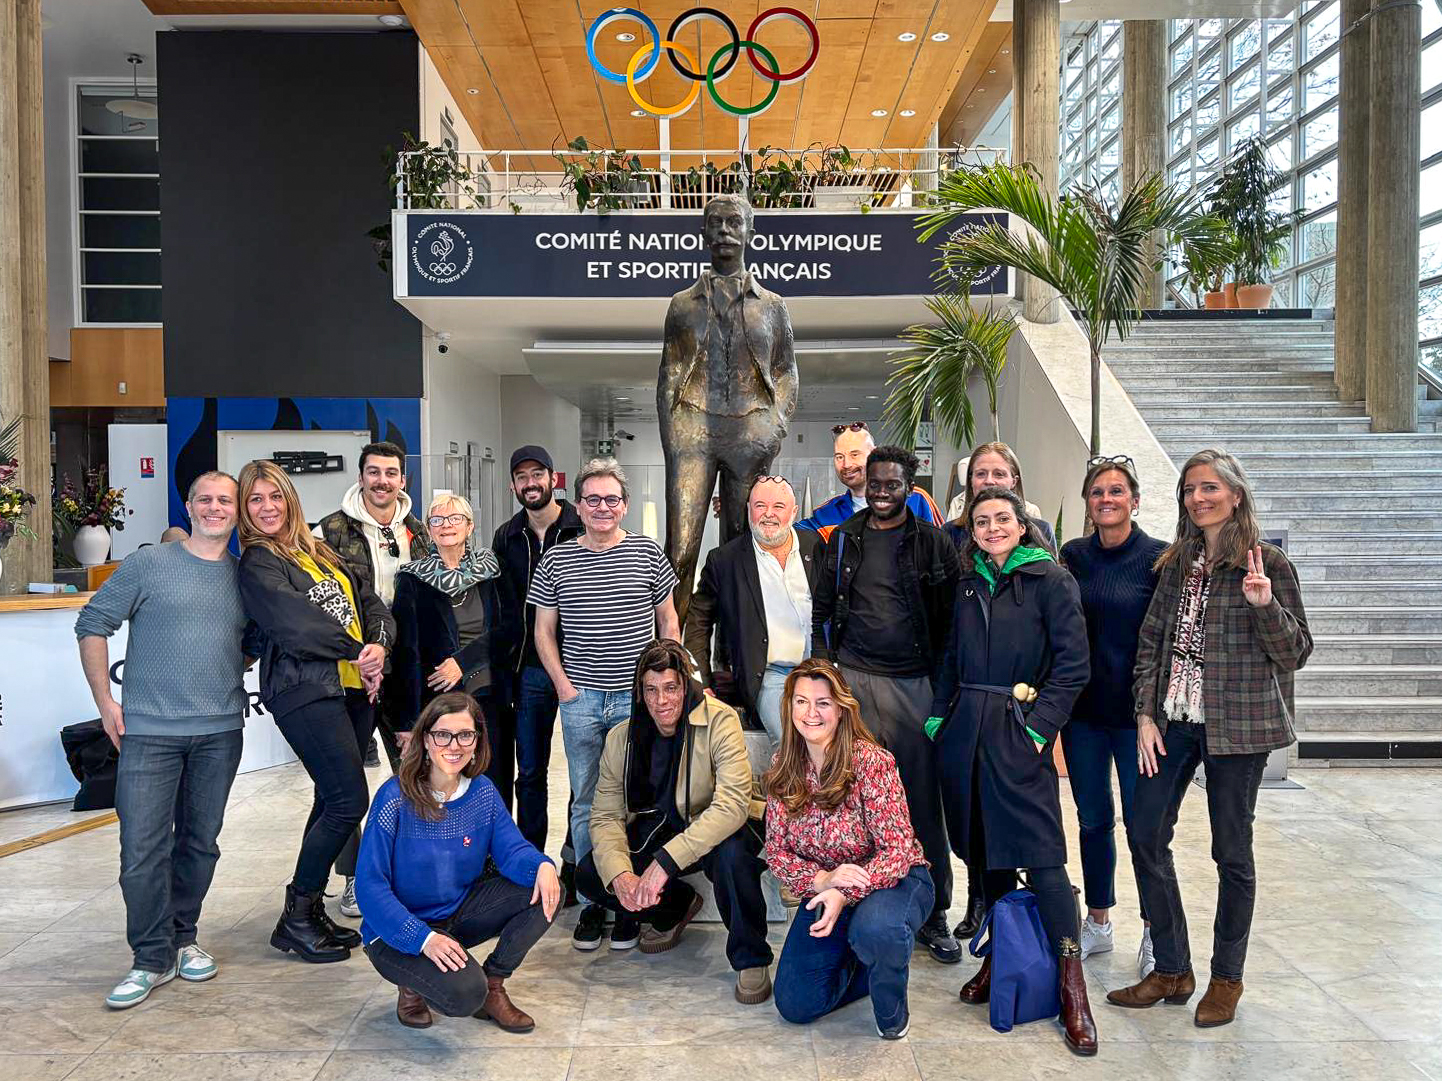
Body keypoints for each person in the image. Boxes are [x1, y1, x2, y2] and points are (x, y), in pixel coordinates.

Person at [1107, 449, 1311, 1029]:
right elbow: (1152, 643)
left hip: (1239, 726)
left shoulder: (1266, 562)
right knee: (1145, 832)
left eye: (1210, 488)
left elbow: (1295, 652)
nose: (1199, 498)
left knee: (1231, 852)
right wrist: (1145, 714)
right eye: (1191, 489)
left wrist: (1264, 603)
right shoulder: (1177, 561)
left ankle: (1226, 978)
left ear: (1236, 494)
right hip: (1173, 719)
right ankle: (1172, 969)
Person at [927, 485, 1097, 1056]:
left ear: (1022, 526)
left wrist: (1037, 729)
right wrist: (937, 717)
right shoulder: (968, 580)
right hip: (965, 730)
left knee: (1043, 857)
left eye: (1003, 519)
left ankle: (1072, 986)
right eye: (982, 521)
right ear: (970, 530)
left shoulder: (1052, 580)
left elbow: (1073, 668)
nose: (992, 528)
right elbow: (950, 654)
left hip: (1018, 729)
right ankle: (1000, 960)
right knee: (986, 856)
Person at [76, 472, 249, 1009]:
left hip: (220, 731)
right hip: (148, 733)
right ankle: (150, 957)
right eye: (205, 499)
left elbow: (250, 645)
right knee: (141, 850)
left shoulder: (248, 578)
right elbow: (92, 623)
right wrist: (106, 703)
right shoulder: (149, 563)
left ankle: (182, 937)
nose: (215, 508)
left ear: (237, 511)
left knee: (200, 843)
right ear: (190, 505)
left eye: (225, 500)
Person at [237, 459, 394, 964]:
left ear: (290, 500)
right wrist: (356, 651)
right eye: (255, 499)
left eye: (275, 497)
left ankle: (306, 911)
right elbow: (295, 624)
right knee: (349, 800)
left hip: (352, 688)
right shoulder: (258, 562)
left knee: (330, 798)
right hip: (303, 688)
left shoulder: (319, 550)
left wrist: (378, 647)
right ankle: (297, 913)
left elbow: (371, 601)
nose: (267, 508)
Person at [810, 445, 960, 964]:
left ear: (909, 486)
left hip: (914, 685)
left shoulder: (934, 543)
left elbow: (947, 626)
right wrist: (826, 672)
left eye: (891, 484)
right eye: (874, 483)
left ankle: (934, 909)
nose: (880, 492)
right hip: (853, 682)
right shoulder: (845, 539)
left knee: (920, 800)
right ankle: (861, 899)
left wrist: (942, 692)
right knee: (855, 801)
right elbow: (823, 611)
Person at [528, 457, 681, 950]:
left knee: (638, 800)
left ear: (625, 505)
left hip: (638, 703)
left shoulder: (647, 552)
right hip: (581, 701)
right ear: (578, 504)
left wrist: (664, 686)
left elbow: (669, 623)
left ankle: (632, 906)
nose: (601, 507)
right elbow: (543, 631)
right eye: (592, 499)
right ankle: (598, 900)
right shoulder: (556, 559)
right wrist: (564, 688)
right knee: (587, 800)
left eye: (611, 499)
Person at [581, 640, 775, 1003]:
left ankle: (751, 958)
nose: (662, 701)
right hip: (661, 827)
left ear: (685, 686)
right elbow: (606, 815)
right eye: (651, 690)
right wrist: (621, 874)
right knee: (593, 873)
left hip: (718, 826)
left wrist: (665, 861)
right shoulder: (622, 737)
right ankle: (675, 907)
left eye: (671, 688)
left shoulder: (719, 719)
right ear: (639, 693)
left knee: (733, 856)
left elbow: (732, 805)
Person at [355, 693, 559, 1032]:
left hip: (456, 914)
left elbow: (512, 851)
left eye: (465, 735)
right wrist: (423, 939)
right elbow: (369, 886)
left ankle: (494, 985)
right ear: (425, 739)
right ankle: (412, 987)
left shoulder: (482, 792)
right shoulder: (394, 799)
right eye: (443, 735)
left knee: (547, 889)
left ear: (477, 740)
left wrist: (542, 865)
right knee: (465, 995)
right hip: (397, 930)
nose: (454, 745)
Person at [764, 659, 933, 1040]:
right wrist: (822, 879)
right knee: (795, 1004)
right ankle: (870, 962)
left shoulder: (871, 761)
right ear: (789, 706)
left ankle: (891, 1010)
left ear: (840, 708)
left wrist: (844, 891)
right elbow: (777, 851)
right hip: (827, 887)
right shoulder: (783, 766)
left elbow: (898, 848)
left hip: (894, 880)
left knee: (876, 929)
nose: (811, 713)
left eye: (823, 703)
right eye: (801, 701)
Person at [1059, 455, 1167, 975]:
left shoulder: (1158, 558)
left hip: (1139, 720)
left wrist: (1154, 712)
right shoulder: (1074, 555)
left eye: (1117, 491)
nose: (1106, 499)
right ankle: (1099, 919)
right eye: (1098, 492)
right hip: (1083, 715)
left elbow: (1167, 640)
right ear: (1088, 502)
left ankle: (1154, 930)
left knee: (1145, 827)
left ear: (1135, 501)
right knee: (1093, 820)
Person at [389, 493, 517, 808]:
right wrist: (407, 721)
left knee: (494, 783)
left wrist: (462, 662)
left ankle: (495, 855)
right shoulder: (412, 579)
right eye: (437, 520)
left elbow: (511, 628)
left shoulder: (493, 570)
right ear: (428, 530)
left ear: (469, 526)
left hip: (491, 694)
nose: (447, 525)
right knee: (448, 786)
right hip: (441, 700)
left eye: (455, 518)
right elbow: (407, 651)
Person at [316, 440, 431, 771]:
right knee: (342, 775)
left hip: (406, 666)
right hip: (352, 663)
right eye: (374, 472)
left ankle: (410, 824)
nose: (383, 480)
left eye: (391, 473)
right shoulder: (329, 531)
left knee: (412, 768)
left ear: (403, 481)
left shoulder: (419, 532)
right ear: (361, 477)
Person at [491, 445, 584, 857]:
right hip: (529, 669)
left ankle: (572, 859)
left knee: (586, 774)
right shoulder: (506, 536)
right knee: (529, 772)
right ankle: (531, 862)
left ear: (553, 478)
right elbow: (501, 608)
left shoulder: (583, 524)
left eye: (537, 474)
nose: (531, 483)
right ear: (514, 484)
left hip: (585, 666)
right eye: (522, 476)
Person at [684, 474, 822, 744]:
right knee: (791, 738)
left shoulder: (816, 547)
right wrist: (701, 681)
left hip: (819, 668)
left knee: (836, 738)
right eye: (760, 506)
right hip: (768, 675)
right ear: (748, 510)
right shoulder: (725, 560)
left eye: (778, 507)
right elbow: (698, 621)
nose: (768, 514)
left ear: (793, 512)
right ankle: (794, 787)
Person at [796, 421, 940, 537]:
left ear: (873, 454)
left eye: (855, 454)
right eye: (839, 457)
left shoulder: (917, 499)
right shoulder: (826, 513)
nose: (846, 464)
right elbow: (788, 536)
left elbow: (942, 551)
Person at [943, 442, 1057, 558]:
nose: (989, 481)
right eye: (981, 474)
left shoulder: (1042, 530)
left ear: (1014, 481)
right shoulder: (951, 532)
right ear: (971, 480)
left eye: (999, 474)